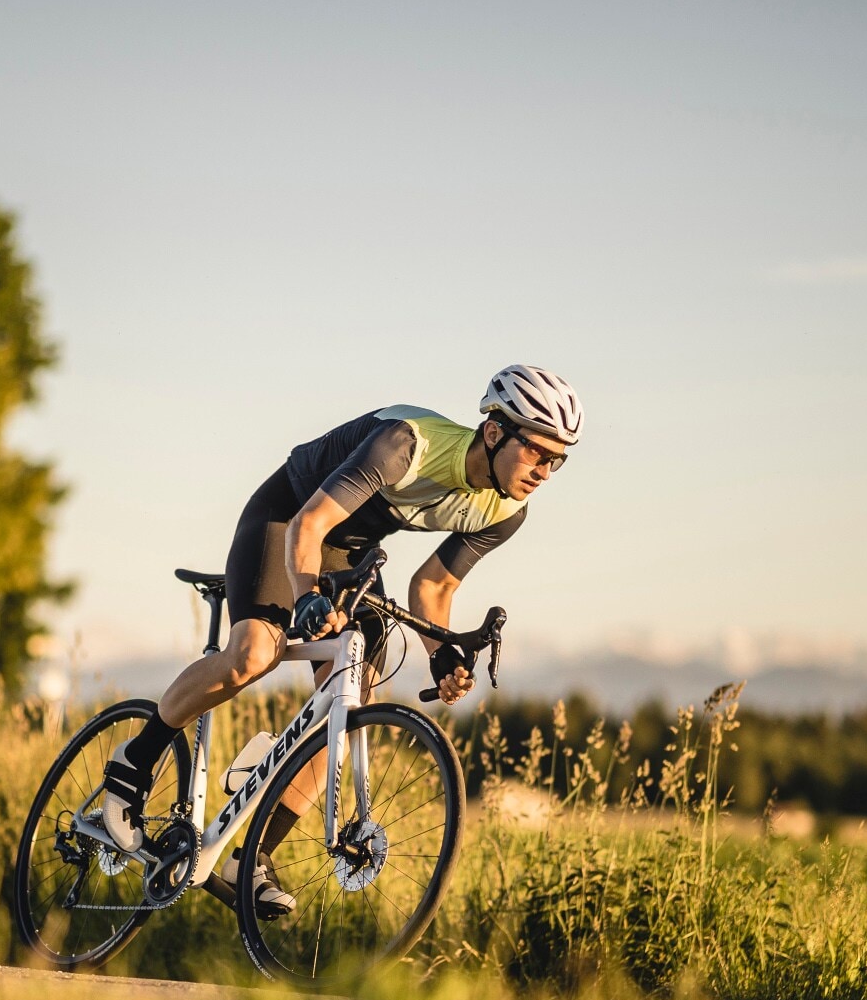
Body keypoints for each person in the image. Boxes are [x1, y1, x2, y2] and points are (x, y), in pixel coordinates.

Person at [101, 364, 584, 915]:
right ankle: (134, 763)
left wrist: (442, 655)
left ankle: (248, 858)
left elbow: (433, 584)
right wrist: (307, 593)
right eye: (538, 453)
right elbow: (309, 527)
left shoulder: (506, 510)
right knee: (257, 651)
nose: (546, 470)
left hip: (352, 553)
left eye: (558, 459)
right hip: (288, 520)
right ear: (496, 432)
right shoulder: (407, 444)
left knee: (351, 702)